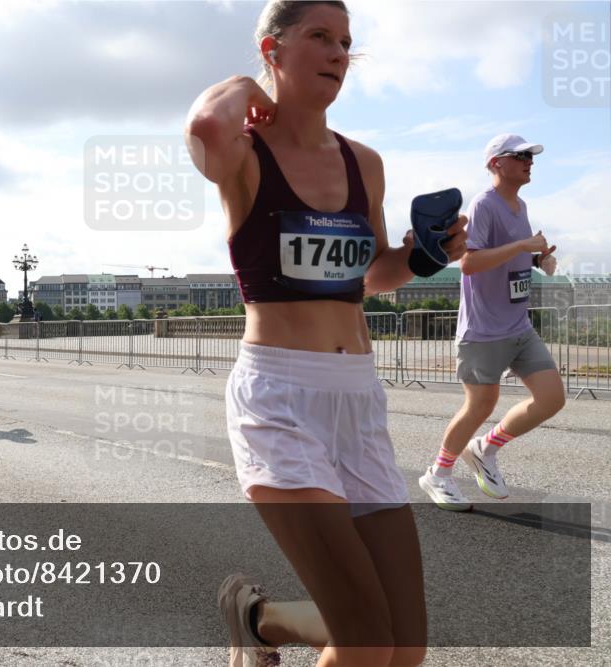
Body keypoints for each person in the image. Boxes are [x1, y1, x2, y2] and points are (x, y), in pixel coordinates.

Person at [185, 2, 467, 665]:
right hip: (279, 399)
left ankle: (259, 624)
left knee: (405, 649)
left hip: (357, 402)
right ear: (273, 47)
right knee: (368, 640)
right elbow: (204, 125)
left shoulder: (363, 162)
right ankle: (259, 620)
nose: (340, 53)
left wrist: (428, 256)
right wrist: (247, 86)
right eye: (319, 37)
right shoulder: (245, 154)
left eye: (346, 41)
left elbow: (369, 274)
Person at [418, 134, 564, 511]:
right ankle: (438, 473)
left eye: (531, 156)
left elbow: (510, 257)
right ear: (496, 163)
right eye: (521, 156)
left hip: (518, 324)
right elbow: (469, 263)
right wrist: (521, 247)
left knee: (551, 399)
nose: (529, 162)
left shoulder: (520, 205)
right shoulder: (484, 204)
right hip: (483, 329)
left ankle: (485, 447)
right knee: (480, 405)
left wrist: (537, 261)